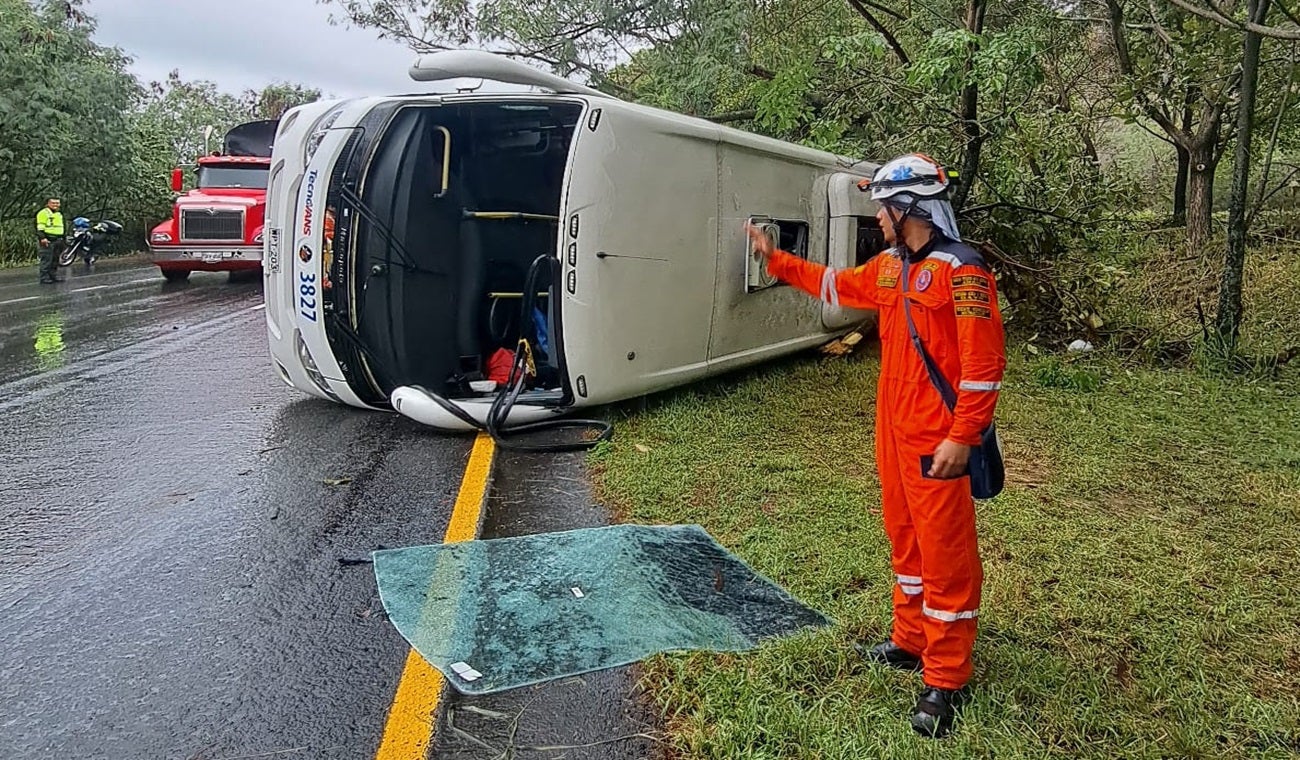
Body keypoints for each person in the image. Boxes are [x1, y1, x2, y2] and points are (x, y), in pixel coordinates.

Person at [747, 153, 1006, 738]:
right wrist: (775, 259)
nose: (877, 219)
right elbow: (835, 285)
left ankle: (945, 677)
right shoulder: (890, 268)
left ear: (907, 207)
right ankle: (911, 640)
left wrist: (963, 437)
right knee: (906, 539)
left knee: (945, 555)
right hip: (893, 431)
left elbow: (984, 368)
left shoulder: (963, 272)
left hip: (939, 439)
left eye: (882, 209)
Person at [36, 198, 66, 284]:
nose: (55, 205)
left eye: (57, 203)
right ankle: (44, 277)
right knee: (46, 259)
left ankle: (53, 276)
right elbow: (40, 227)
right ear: (48, 203)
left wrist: (64, 237)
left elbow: (61, 226)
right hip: (48, 239)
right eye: (53, 203)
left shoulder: (59, 214)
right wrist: (42, 238)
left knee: (55, 260)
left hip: (58, 239)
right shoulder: (43, 213)